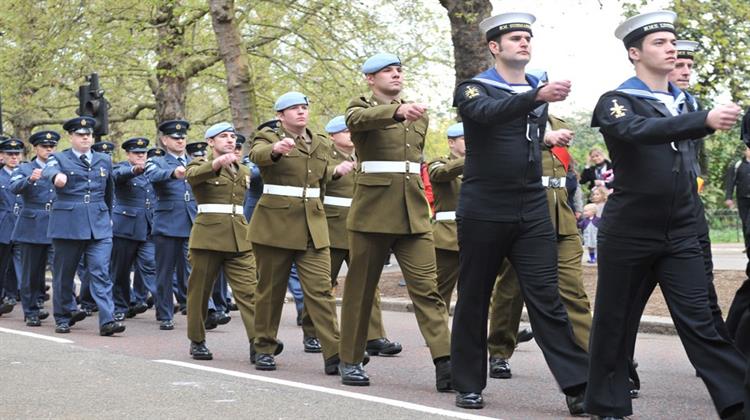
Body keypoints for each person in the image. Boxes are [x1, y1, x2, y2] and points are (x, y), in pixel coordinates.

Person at [585, 11, 746, 419]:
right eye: (659, 42)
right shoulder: (616, 102)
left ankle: (739, 403)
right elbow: (637, 131)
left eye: (672, 41)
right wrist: (702, 120)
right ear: (634, 54)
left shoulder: (684, 100)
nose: (671, 47)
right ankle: (608, 404)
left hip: (680, 230)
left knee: (702, 322)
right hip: (629, 231)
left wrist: (698, 117)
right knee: (615, 323)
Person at [450, 13, 589, 411]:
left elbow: (519, 133)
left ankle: (579, 386)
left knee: (547, 299)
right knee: (475, 296)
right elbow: (489, 116)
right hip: (484, 207)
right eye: (515, 37)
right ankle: (468, 383)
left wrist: (545, 134)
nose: (524, 42)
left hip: (531, 206)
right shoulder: (473, 88)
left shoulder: (533, 88)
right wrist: (537, 97)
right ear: (495, 47)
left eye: (528, 37)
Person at [338, 54, 452, 391]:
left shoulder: (418, 113)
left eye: (399, 70)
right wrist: (396, 112)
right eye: (387, 70)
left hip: (412, 211)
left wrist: (405, 110)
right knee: (360, 290)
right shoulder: (359, 106)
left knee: (428, 290)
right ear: (370, 79)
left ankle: (445, 361)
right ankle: (351, 358)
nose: (396, 74)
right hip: (373, 211)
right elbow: (358, 121)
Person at [249, 92, 353, 373]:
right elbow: (256, 155)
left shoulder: (318, 141)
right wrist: (275, 151)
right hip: (276, 226)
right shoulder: (268, 137)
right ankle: (264, 347)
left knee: (321, 290)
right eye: (293, 108)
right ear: (280, 115)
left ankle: (335, 354)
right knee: (271, 291)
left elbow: (318, 174)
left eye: (304, 107)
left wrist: (336, 171)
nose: (300, 112)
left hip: (313, 226)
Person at [485, 113, 593, 381]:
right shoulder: (510, 121)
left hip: (561, 217)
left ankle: (594, 359)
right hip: (524, 215)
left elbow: (568, 174)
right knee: (511, 291)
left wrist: (576, 208)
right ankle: (499, 351)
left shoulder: (561, 123)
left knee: (573, 292)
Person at [318, 115, 401, 357]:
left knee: (368, 283)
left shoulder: (365, 154)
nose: (350, 135)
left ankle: (374, 336)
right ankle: (314, 331)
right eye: (344, 131)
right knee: (324, 285)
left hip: (361, 227)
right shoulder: (323, 156)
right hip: (331, 228)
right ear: (332, 136)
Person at [43, 116, 124, 336]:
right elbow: (48, 170)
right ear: (71, 137)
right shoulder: (59, 158)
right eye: (80, 134)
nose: (86, 137)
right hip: (68, 224)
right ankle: (62, 316)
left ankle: (107, 320)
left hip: (98, 224)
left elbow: (109, 190)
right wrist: (56, 177)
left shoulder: (103, 159)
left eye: (89, 134)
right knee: (64, 274)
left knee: (100, 272)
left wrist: (108, 213)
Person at [184, 122, 258, 361]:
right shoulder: (198, 164)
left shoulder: (244, 171)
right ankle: (197, 340)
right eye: (223, 136)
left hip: (239, 238)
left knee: (250, 293)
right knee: (200, 292)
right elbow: (192, 176)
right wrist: (216, 164)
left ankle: (259, 344)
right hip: (208, 238)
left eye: (232, 137)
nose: (229, 140)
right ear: (210, 142)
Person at [144, 119, 197, 330]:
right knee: (165, 272)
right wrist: (173, 173)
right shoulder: (157, 161)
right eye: (175, 138)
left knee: (194, 271)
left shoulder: (194, 161)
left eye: (183, 137)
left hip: (191, 222)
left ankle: (200, 311)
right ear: (165, 140)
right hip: (167, 224)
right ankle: (165, 313)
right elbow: (152, 175)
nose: (180, 141)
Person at [10, 132, 58, 326]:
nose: (49, 149)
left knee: (61, 269)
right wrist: (29, 179)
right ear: (36, 148)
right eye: (44, 146)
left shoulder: (61, 167)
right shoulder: (25, 168)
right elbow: (14, 187)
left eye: (52, 146)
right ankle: (30, 310)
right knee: (31, 272)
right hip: (32, 225)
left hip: (57, 224)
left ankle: (67, 308)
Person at [109, 137, 156, 322]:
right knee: (120, 270)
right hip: (125, 228)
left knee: (151, 264)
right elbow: (117, 176)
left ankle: (159, 300)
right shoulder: (121, 168)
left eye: (143, 153)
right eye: (136, 153)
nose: (141, 156)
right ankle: (120, 306)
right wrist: (134, 170)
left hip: (147, 227)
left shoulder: (151, 170)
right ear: (128, 154)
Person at [0, 139, 24, 314]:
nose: (14, 157)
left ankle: (31, 303)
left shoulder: (27, 173)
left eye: (16, 154)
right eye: (10, 154)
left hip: (24, 225)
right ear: (2, 156)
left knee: (26, 266)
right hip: (3, 225)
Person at [724, 146, 750, 254]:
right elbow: (730, 182)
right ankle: (747, 245)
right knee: (745, 223)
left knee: (749, 223)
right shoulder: (737, 165)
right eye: (748, 149)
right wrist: (728, 198)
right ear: (745, 151)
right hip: (742, 198)